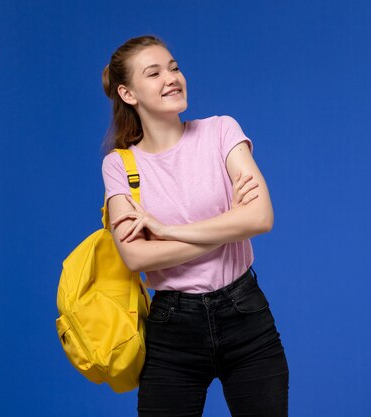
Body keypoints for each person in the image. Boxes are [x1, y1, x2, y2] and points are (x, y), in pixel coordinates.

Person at [100, 35, 289, 417]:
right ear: (128, 93)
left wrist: (166, 231)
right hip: (173, 329)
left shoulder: (221, 131)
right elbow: (135, 256)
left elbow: (260, 218)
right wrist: (228, 226)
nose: (171, 78)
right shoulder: (120, 166)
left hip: (245, 315)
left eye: (174, 67)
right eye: (153, 73)